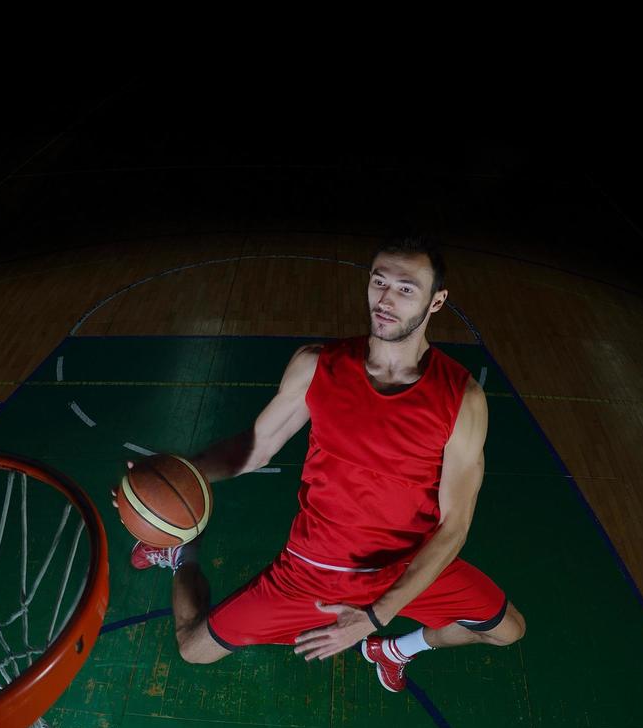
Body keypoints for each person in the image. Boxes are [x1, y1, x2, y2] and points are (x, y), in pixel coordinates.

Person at [112, 236, 525, 691]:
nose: (385, 299)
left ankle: (395, 650)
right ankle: (181, 553)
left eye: (406, 288)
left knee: (508, 630)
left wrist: (375, 619)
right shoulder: (317, 365)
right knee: (193, 648)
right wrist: (166, 481)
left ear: (436, 301)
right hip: (313, 568)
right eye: (378, 282)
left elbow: (455, 526)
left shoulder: (461, 398)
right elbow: (255, 446)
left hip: (407, 567)